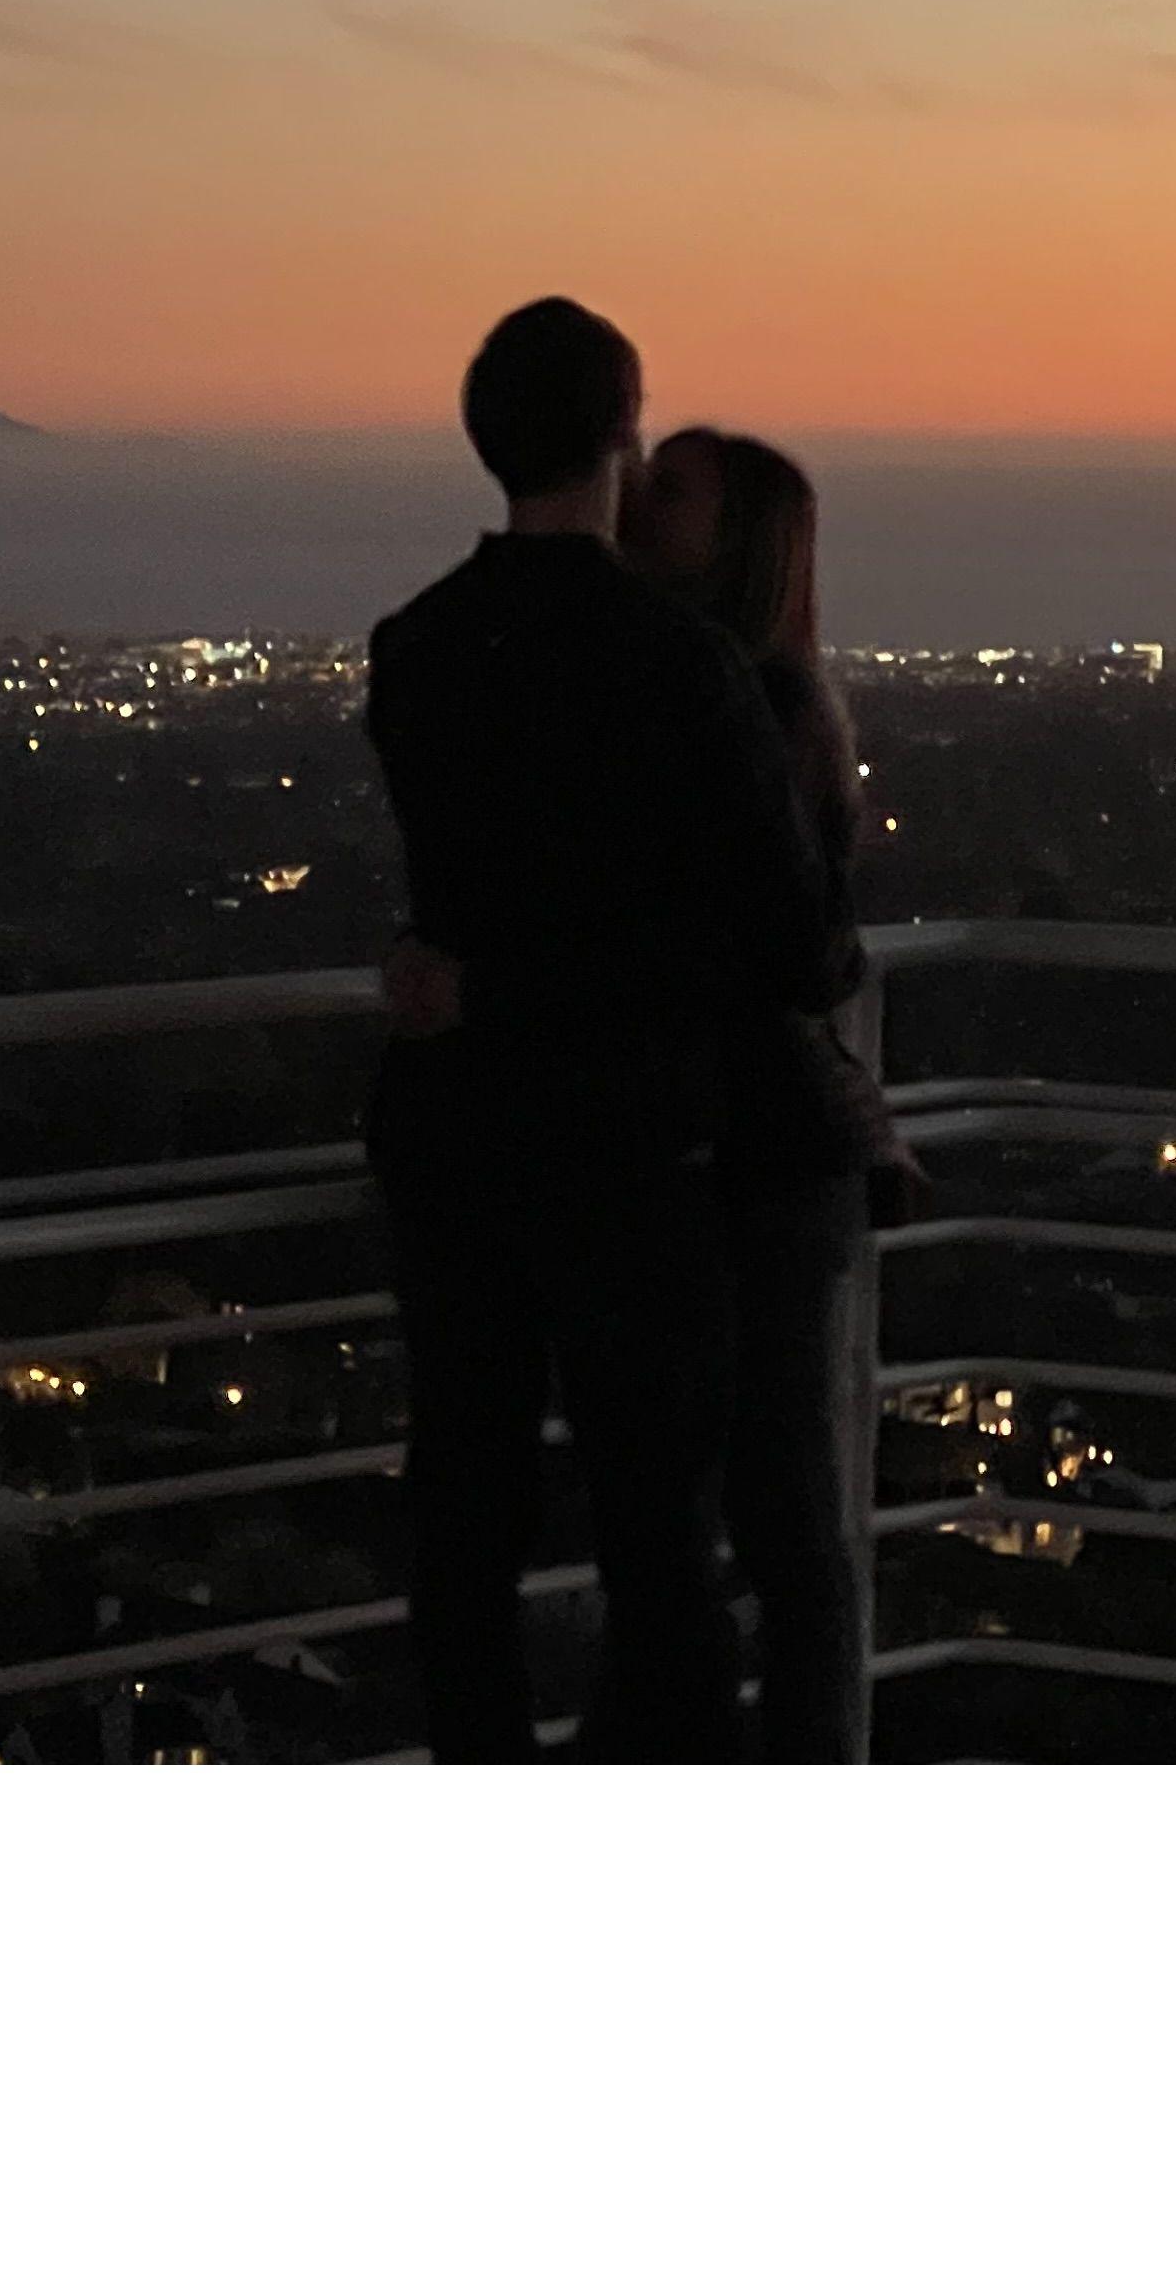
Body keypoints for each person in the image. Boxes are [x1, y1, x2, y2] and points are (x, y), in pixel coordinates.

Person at [361, 300, 851, 1761]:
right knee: (657, 1536)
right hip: (626, 1152)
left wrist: (478, 991)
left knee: (465, 1520)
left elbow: (470, 899)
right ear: (619, 433)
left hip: (450, 1141)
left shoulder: (417, 647)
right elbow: (782, 942)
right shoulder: (676, 666)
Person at [625, 425, 913, 1763]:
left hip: (763, 1160)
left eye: (671, 493)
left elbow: (771, 947)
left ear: (738, 542)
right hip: (746, 1155)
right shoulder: (751, 702)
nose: (638, 502)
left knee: (785, 1515)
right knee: (753, 1508)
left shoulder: (762, 715)